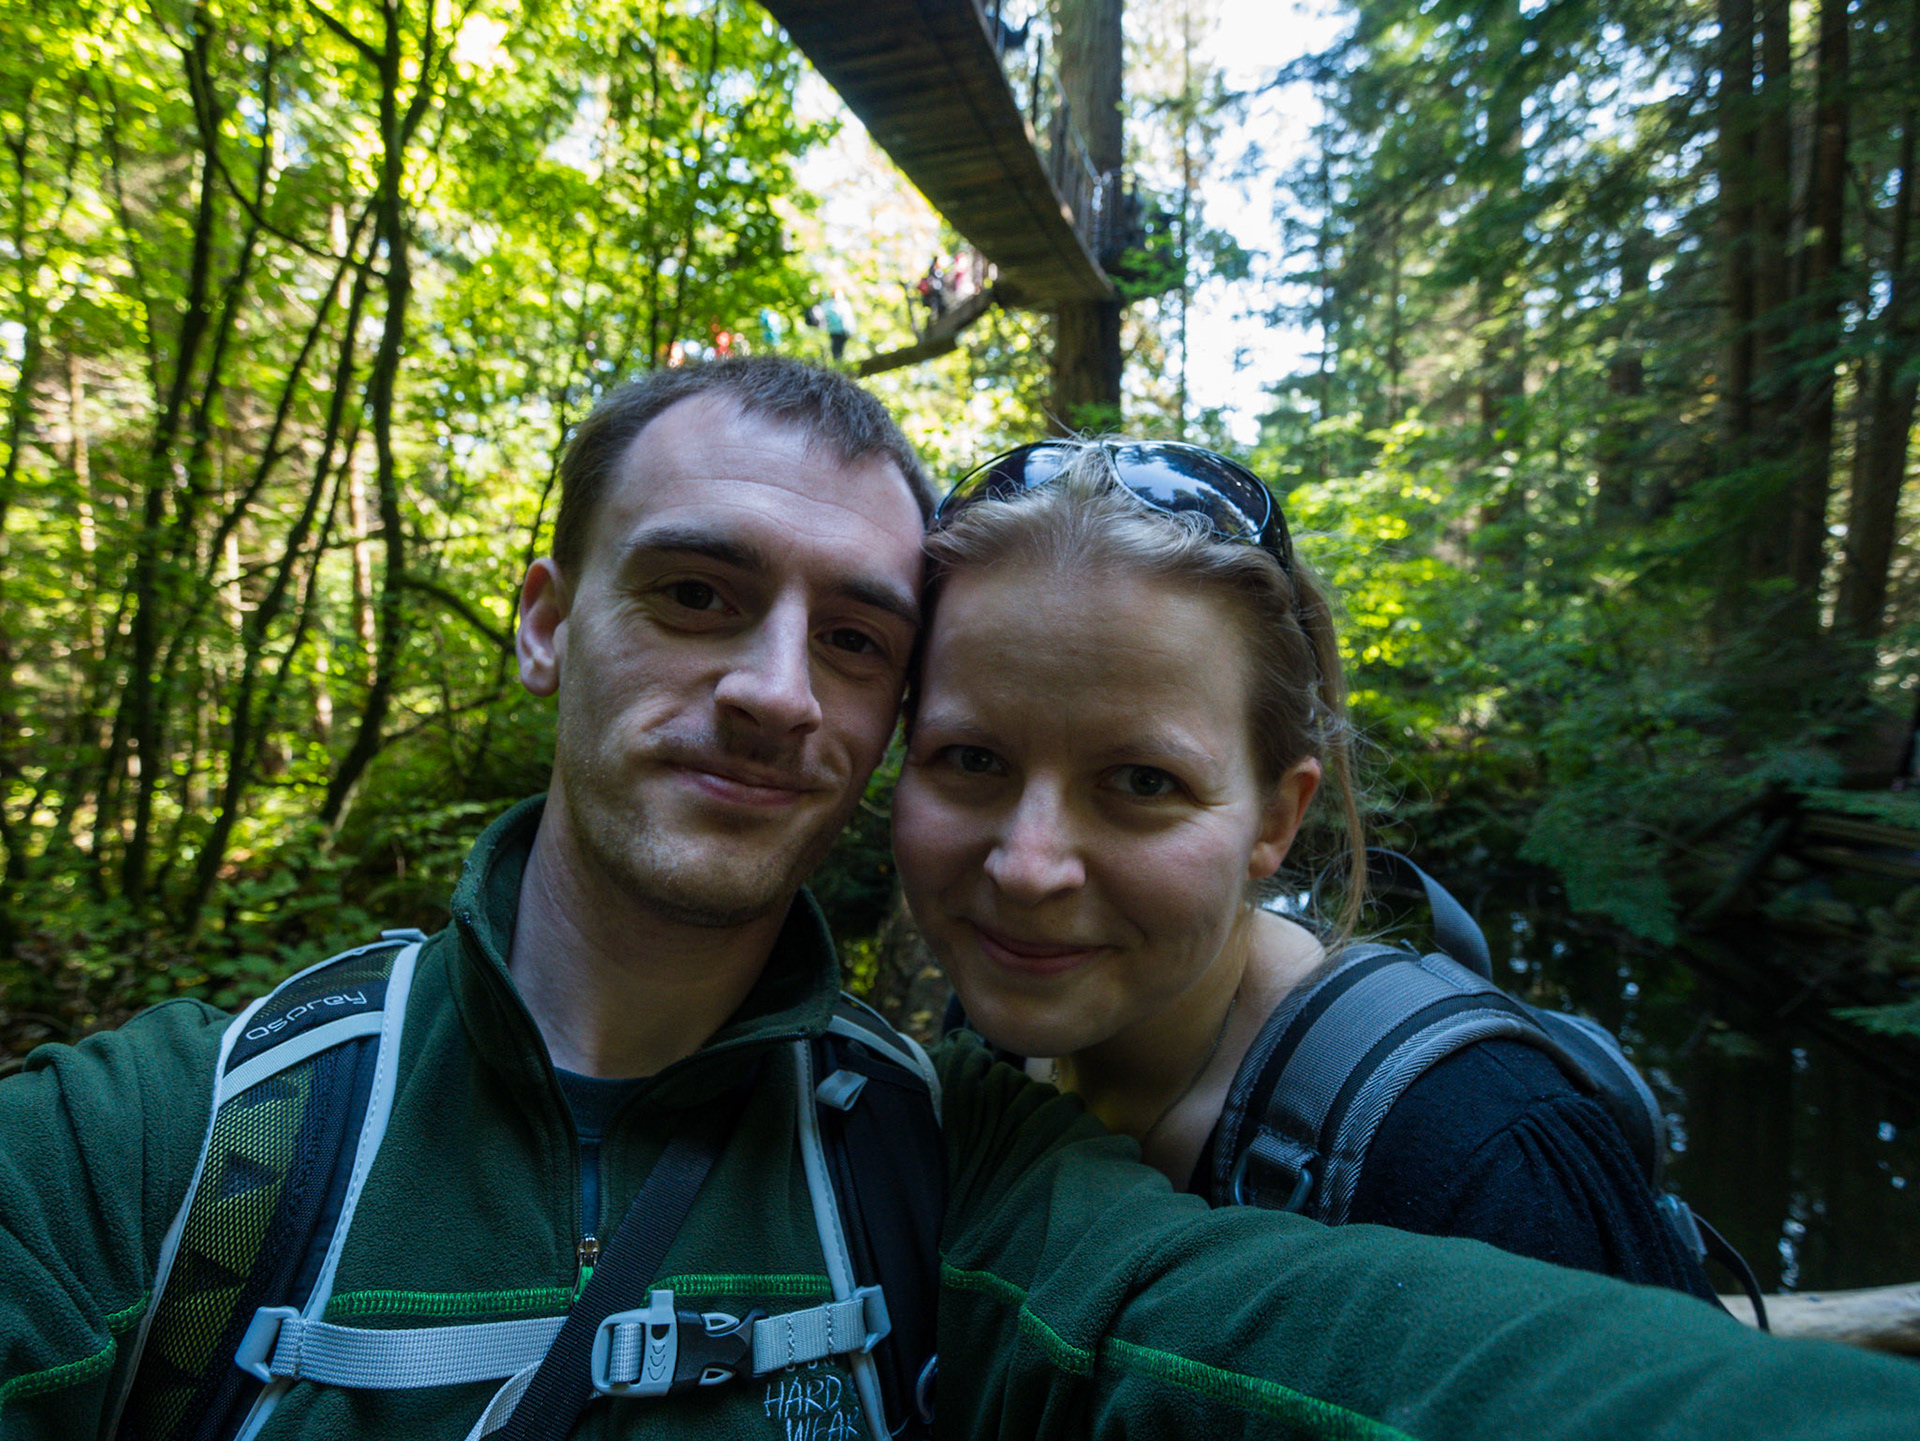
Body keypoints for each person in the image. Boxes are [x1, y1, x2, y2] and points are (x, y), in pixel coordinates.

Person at [4, 359, 1920, 1441]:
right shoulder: (187, 1145)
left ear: (1283, 817)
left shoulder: (953, 1161)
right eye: (692, 592)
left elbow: (1396, 1356)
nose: (771, 685)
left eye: (852, 639)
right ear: (539, 619)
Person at [892, 437, 1714, 1295]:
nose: (1026, 870)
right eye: (972, 759)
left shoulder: (1478, 1166)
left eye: (1143, 781)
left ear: (1276, 816)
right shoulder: (996, 1022)